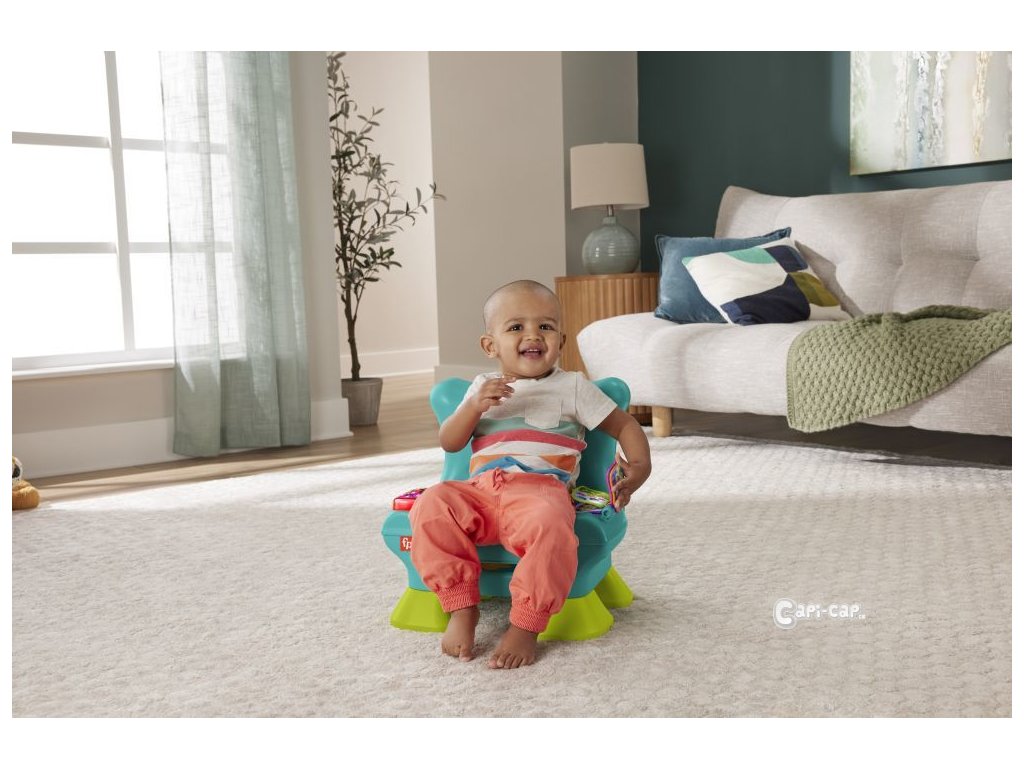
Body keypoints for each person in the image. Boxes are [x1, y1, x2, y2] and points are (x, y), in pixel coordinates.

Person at [409, 279, 651, 669]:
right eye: (516, 327)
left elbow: (624, 425)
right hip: (480, 490)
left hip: (539, 491)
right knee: (432, 504)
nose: (533, 335)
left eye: (546, 326)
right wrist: (473, 407)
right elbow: (450, 442)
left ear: (561, 340)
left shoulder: (572, 387)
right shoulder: (481, 388)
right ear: (490, 346)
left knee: (553, 526)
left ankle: (526, 624)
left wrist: (640, 466)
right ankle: (460, 606)